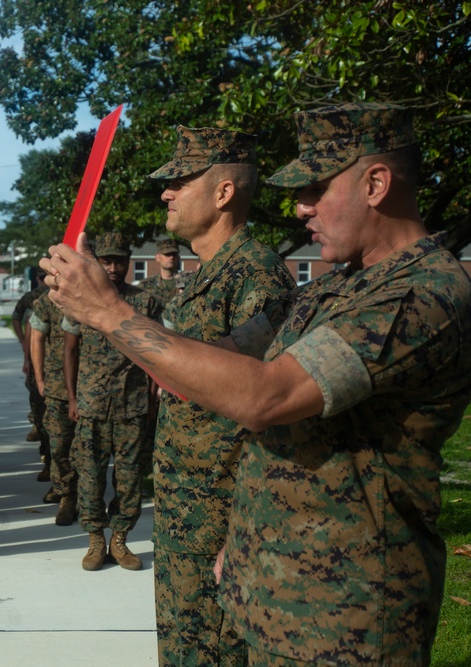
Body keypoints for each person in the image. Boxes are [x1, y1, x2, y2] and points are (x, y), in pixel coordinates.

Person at [41, 103, 471, 666]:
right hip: (272, 584)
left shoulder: (420, 294)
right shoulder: (335, 288)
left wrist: (108, 312)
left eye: (316, 188)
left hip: (346, 615)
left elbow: (267, 395)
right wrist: (244, 541)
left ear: (376, 183)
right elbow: (219, 363)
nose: (299, 208)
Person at [143, 127, 295, 664]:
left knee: (214, 652)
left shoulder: (258, 273)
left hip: (222, 515)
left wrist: (243, 530)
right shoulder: (210, 273)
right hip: (188, 507)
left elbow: (269, 403)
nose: (166, 193)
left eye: (180, 182)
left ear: (223, 193)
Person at [63, 232, 163, 572]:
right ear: (96, 262)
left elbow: (155, 354)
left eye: (119, 260)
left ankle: (120, 539)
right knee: (89, 475)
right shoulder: (80, 300)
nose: (113, 267)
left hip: (131, 404)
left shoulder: (146, 303)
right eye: (106, 260)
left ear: (129, 261)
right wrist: (73, 397)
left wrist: (152, 396)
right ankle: (95, 539)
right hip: (91, 403)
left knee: (130, 477)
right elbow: (70, 351)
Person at [29, 286, 77, 523]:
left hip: (91, 385)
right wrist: (40, 379)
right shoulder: (45, 302)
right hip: (57, 385)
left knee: (85, 448)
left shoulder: (91, 296)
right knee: (58, 445)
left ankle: (76, 496)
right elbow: (37, 339)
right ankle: (64, 489)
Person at [11, 276, 51, 481]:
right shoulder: (37, 300)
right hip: (41, 366)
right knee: (41, 412)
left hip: (63, 369)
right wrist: (27, 356)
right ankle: (47, 455)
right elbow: (24, 324)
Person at [140, 238, 185, 304]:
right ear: (157, 257)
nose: (171, 257)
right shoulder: (146, 285)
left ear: (178, 257)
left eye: (174, 254)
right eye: (167, 254)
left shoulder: (187, 283)